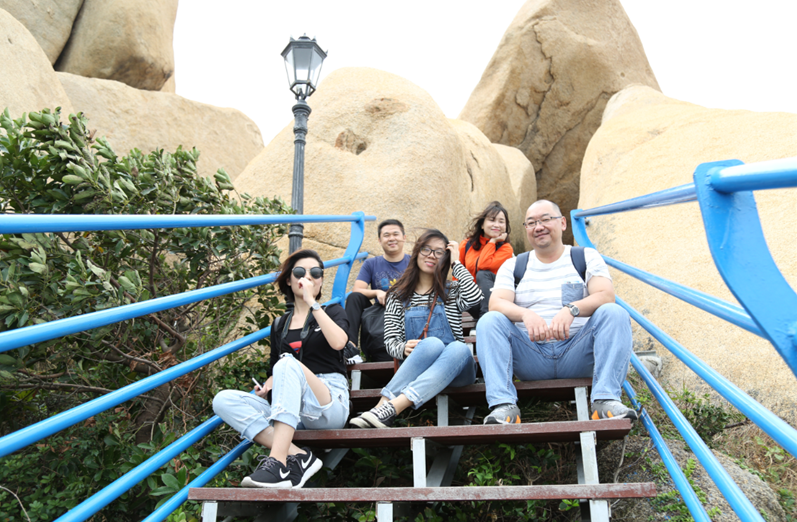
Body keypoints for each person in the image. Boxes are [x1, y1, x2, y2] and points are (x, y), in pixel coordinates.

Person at [477, 200, 637, 424]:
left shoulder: (585, 257)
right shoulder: (513, 265)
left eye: (545, 219)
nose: (538, 227)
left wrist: (572, 309)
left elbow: (605, 295)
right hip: (531, 355)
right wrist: (525, 314)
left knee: (614, 312)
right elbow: (496, 303)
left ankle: (605, 401)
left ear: (562, 223)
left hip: (578, 353)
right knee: (489, 320)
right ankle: (504, 406)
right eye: (531, 222)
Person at [212, 250, 350, 488]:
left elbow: (339, 342)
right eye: (300, 272)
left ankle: (277, 461)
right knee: (223, 400)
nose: (308, 277)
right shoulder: (279, 324)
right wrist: (267, 387)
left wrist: (312, 303)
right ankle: (299, 455)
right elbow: (274, 371)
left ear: (320, 281)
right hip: (291, 408)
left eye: (316, 272)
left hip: (328, 403)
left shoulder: (332, 312)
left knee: (287, 362)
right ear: (288, 279)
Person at [349, 229, 483, 428]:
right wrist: (403, 348)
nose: (431, 255)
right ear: (416, 252)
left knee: (459, 348)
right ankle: (384, 409)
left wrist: (456, 263)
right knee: (432, 344)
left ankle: (388, 406)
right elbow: (391, 341)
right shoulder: (397, 296)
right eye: (426, 249)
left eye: (439, 252)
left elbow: (475, 298)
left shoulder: (452, 291)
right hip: (419, 368)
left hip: (456, 369)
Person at [344, 219, 410, 362]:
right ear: (379, 240)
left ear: (404, 237)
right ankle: (351, 349)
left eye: (396, 234)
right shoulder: (371, 263)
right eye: (386, 235)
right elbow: (357, 290)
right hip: (381, 311)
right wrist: (377, 292)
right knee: (354, 297)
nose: (391, 238)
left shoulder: (414, 263)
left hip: (408, 310)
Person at [458, 201, 514, 320]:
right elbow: (457, 273)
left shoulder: (506, 249)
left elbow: (483, 265)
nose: (496, 225)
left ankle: (485, 318)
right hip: (472, 299)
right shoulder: (466, 245)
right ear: (482, 225)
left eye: (501, 221)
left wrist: (493, 241)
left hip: (496, 299)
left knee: (483, 274)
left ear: (506, 226)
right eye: (492, 220)